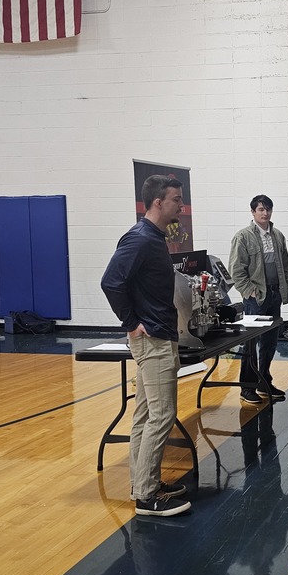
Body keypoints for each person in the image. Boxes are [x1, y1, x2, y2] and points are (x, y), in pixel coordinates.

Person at [101, 175, 192, 517]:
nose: (180, 206)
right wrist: (131, 322)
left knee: (143, 414)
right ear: (157, 202)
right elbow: (111, 282)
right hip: (151, 339)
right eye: (175, 200)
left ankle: (143, 483)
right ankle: (147, 497)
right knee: (163, 415)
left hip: (159, 335)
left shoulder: (154, 237)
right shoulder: (139, 239)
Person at [228, 194, 288, 404]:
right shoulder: (243, 237)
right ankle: (247, 387)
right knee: (250, 343)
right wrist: (250, 292)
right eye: (261, 209)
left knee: (270, 341)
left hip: (274, 296)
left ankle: (264, 380)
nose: (265, 213)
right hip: (256, 298)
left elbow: (285, 265)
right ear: (253, 212)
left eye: (268, 209)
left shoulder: (278, 236)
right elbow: (236, 270)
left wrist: (285, 286)